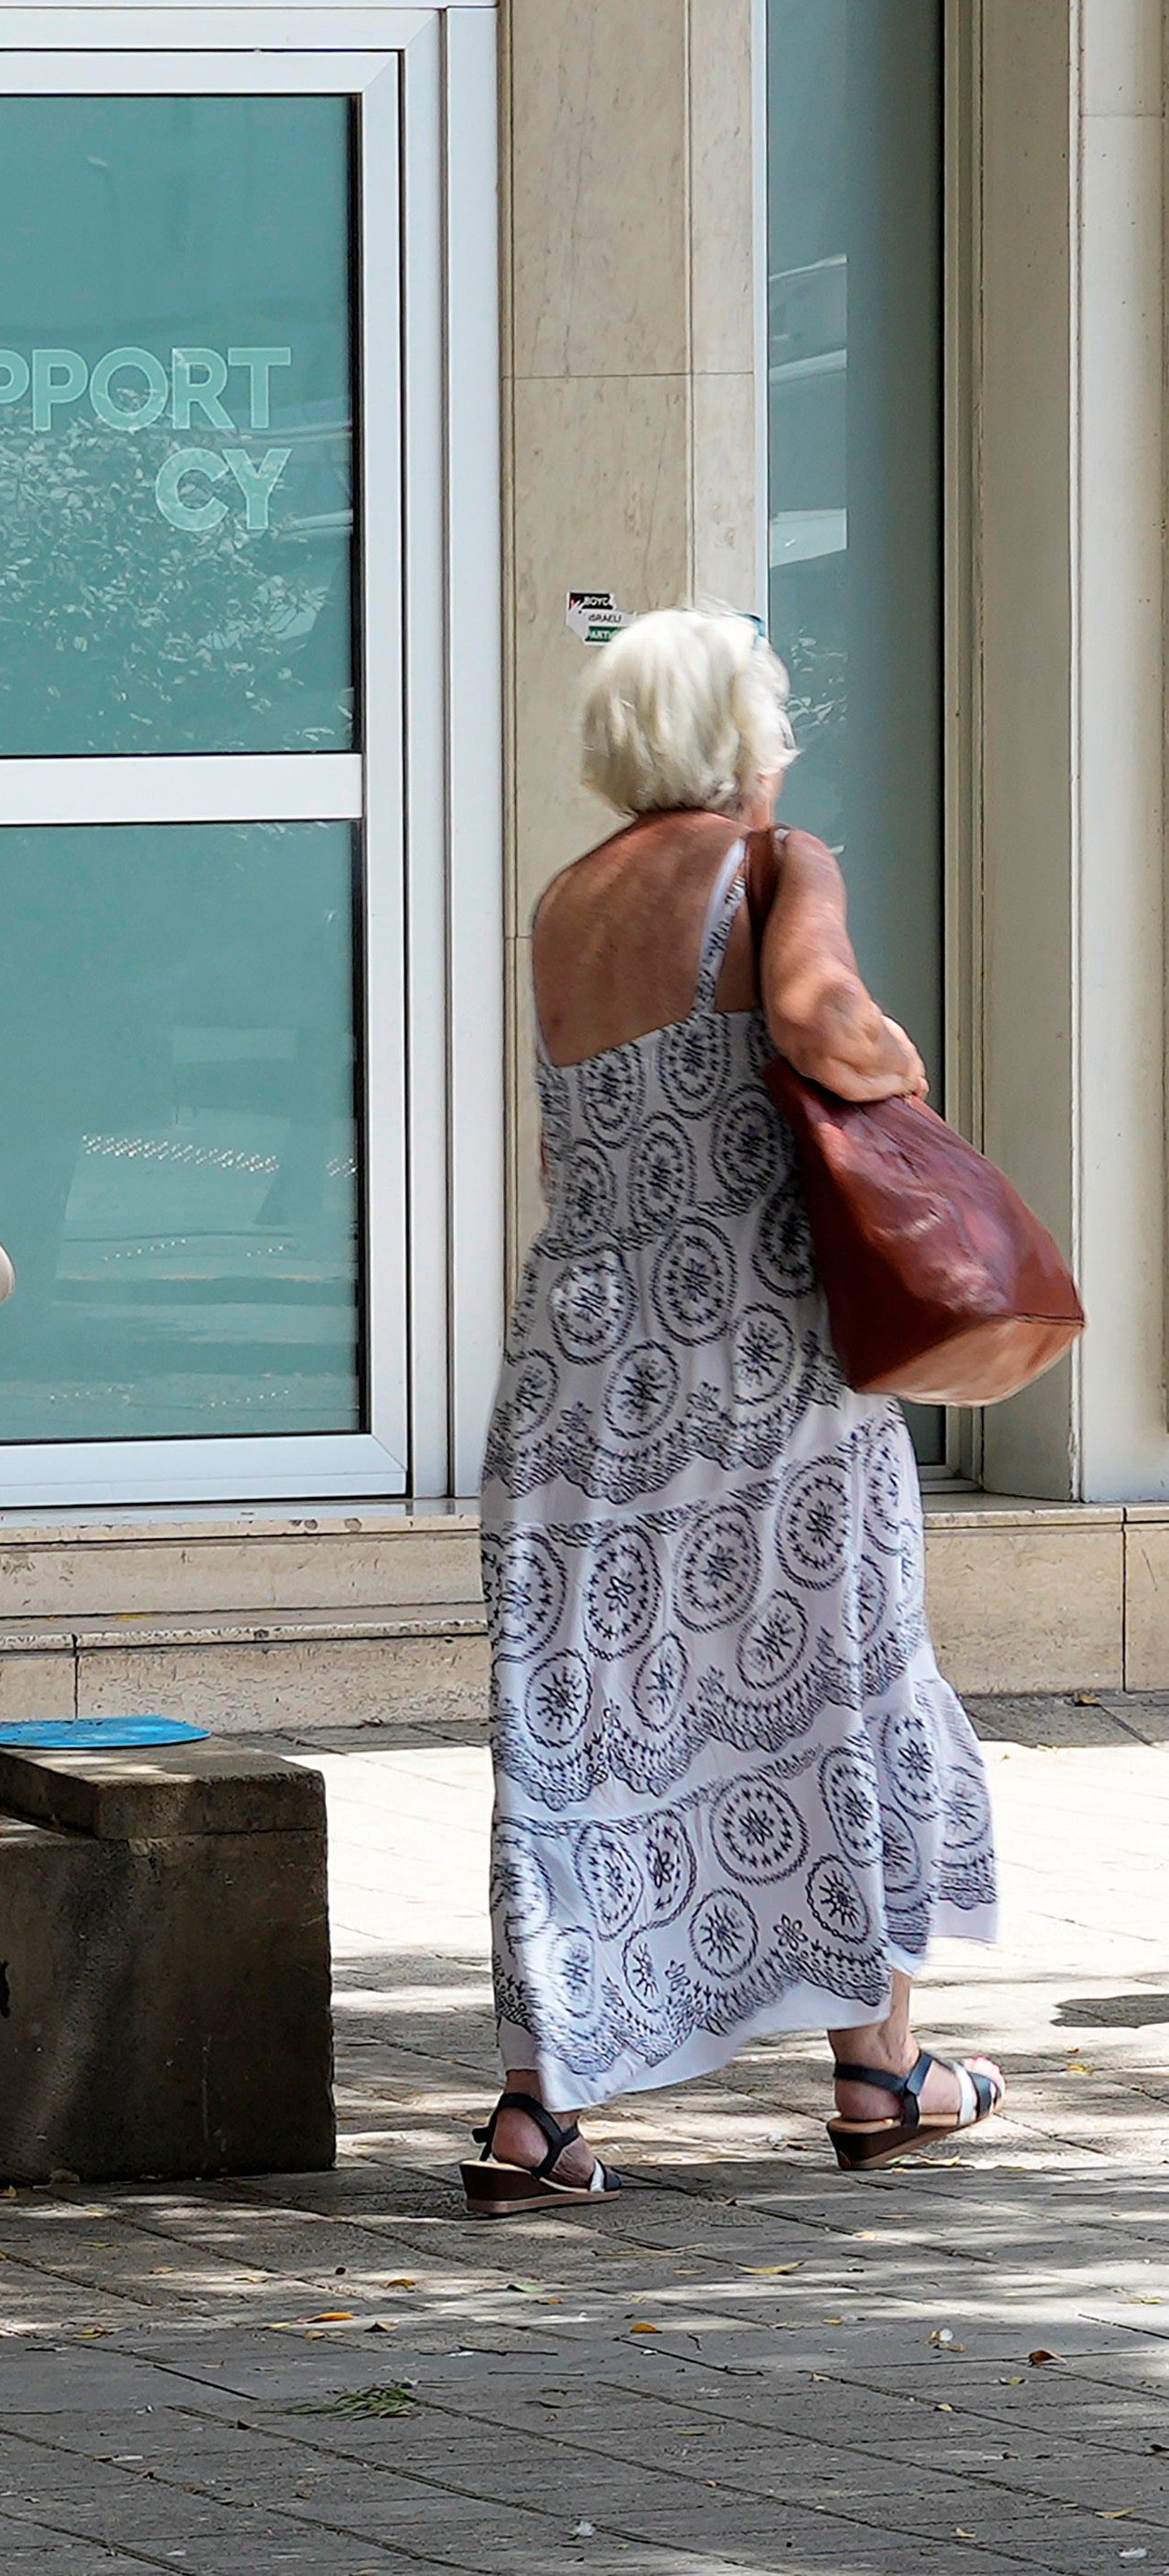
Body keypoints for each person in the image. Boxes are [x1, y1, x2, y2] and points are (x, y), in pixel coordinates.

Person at [458, 611, 999, 2213]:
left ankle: (535, 2116)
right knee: (844, 1673)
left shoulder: (564, 901)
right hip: (762, 1359)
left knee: (581, 1719)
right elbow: (825, 1021)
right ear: (737, 734)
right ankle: (879, 2072)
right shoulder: (774, 863)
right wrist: (909, 1093)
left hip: (579, 1364)